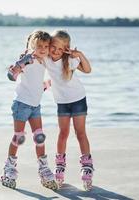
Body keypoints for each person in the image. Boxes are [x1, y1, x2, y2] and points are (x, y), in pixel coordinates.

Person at [0, 30, 57, 190]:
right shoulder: (28, 58)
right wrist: (20, 64)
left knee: (40, 137)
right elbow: (12, 76)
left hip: (35, 106)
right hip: (21, 105)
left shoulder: (45, 60)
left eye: (46, 46)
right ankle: (9, 169)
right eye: (39, 46)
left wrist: (45, 85)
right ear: (33, 45)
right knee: (19, 137)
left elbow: (40, 78)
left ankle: (44, 169)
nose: (43, 49)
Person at [45, 30, 94, 191]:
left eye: (60, 49)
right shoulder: (46, 59)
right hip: (62, 102)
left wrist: (79, 54)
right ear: (49, 45)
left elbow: (87, 70)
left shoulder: (70, 59)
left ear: (66, 49)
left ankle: (86, 168)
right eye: (53, 47)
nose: (56, 51)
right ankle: (59, 167)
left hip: (78, 99)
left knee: (80, 133)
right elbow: (36, 54)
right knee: (63, 133)